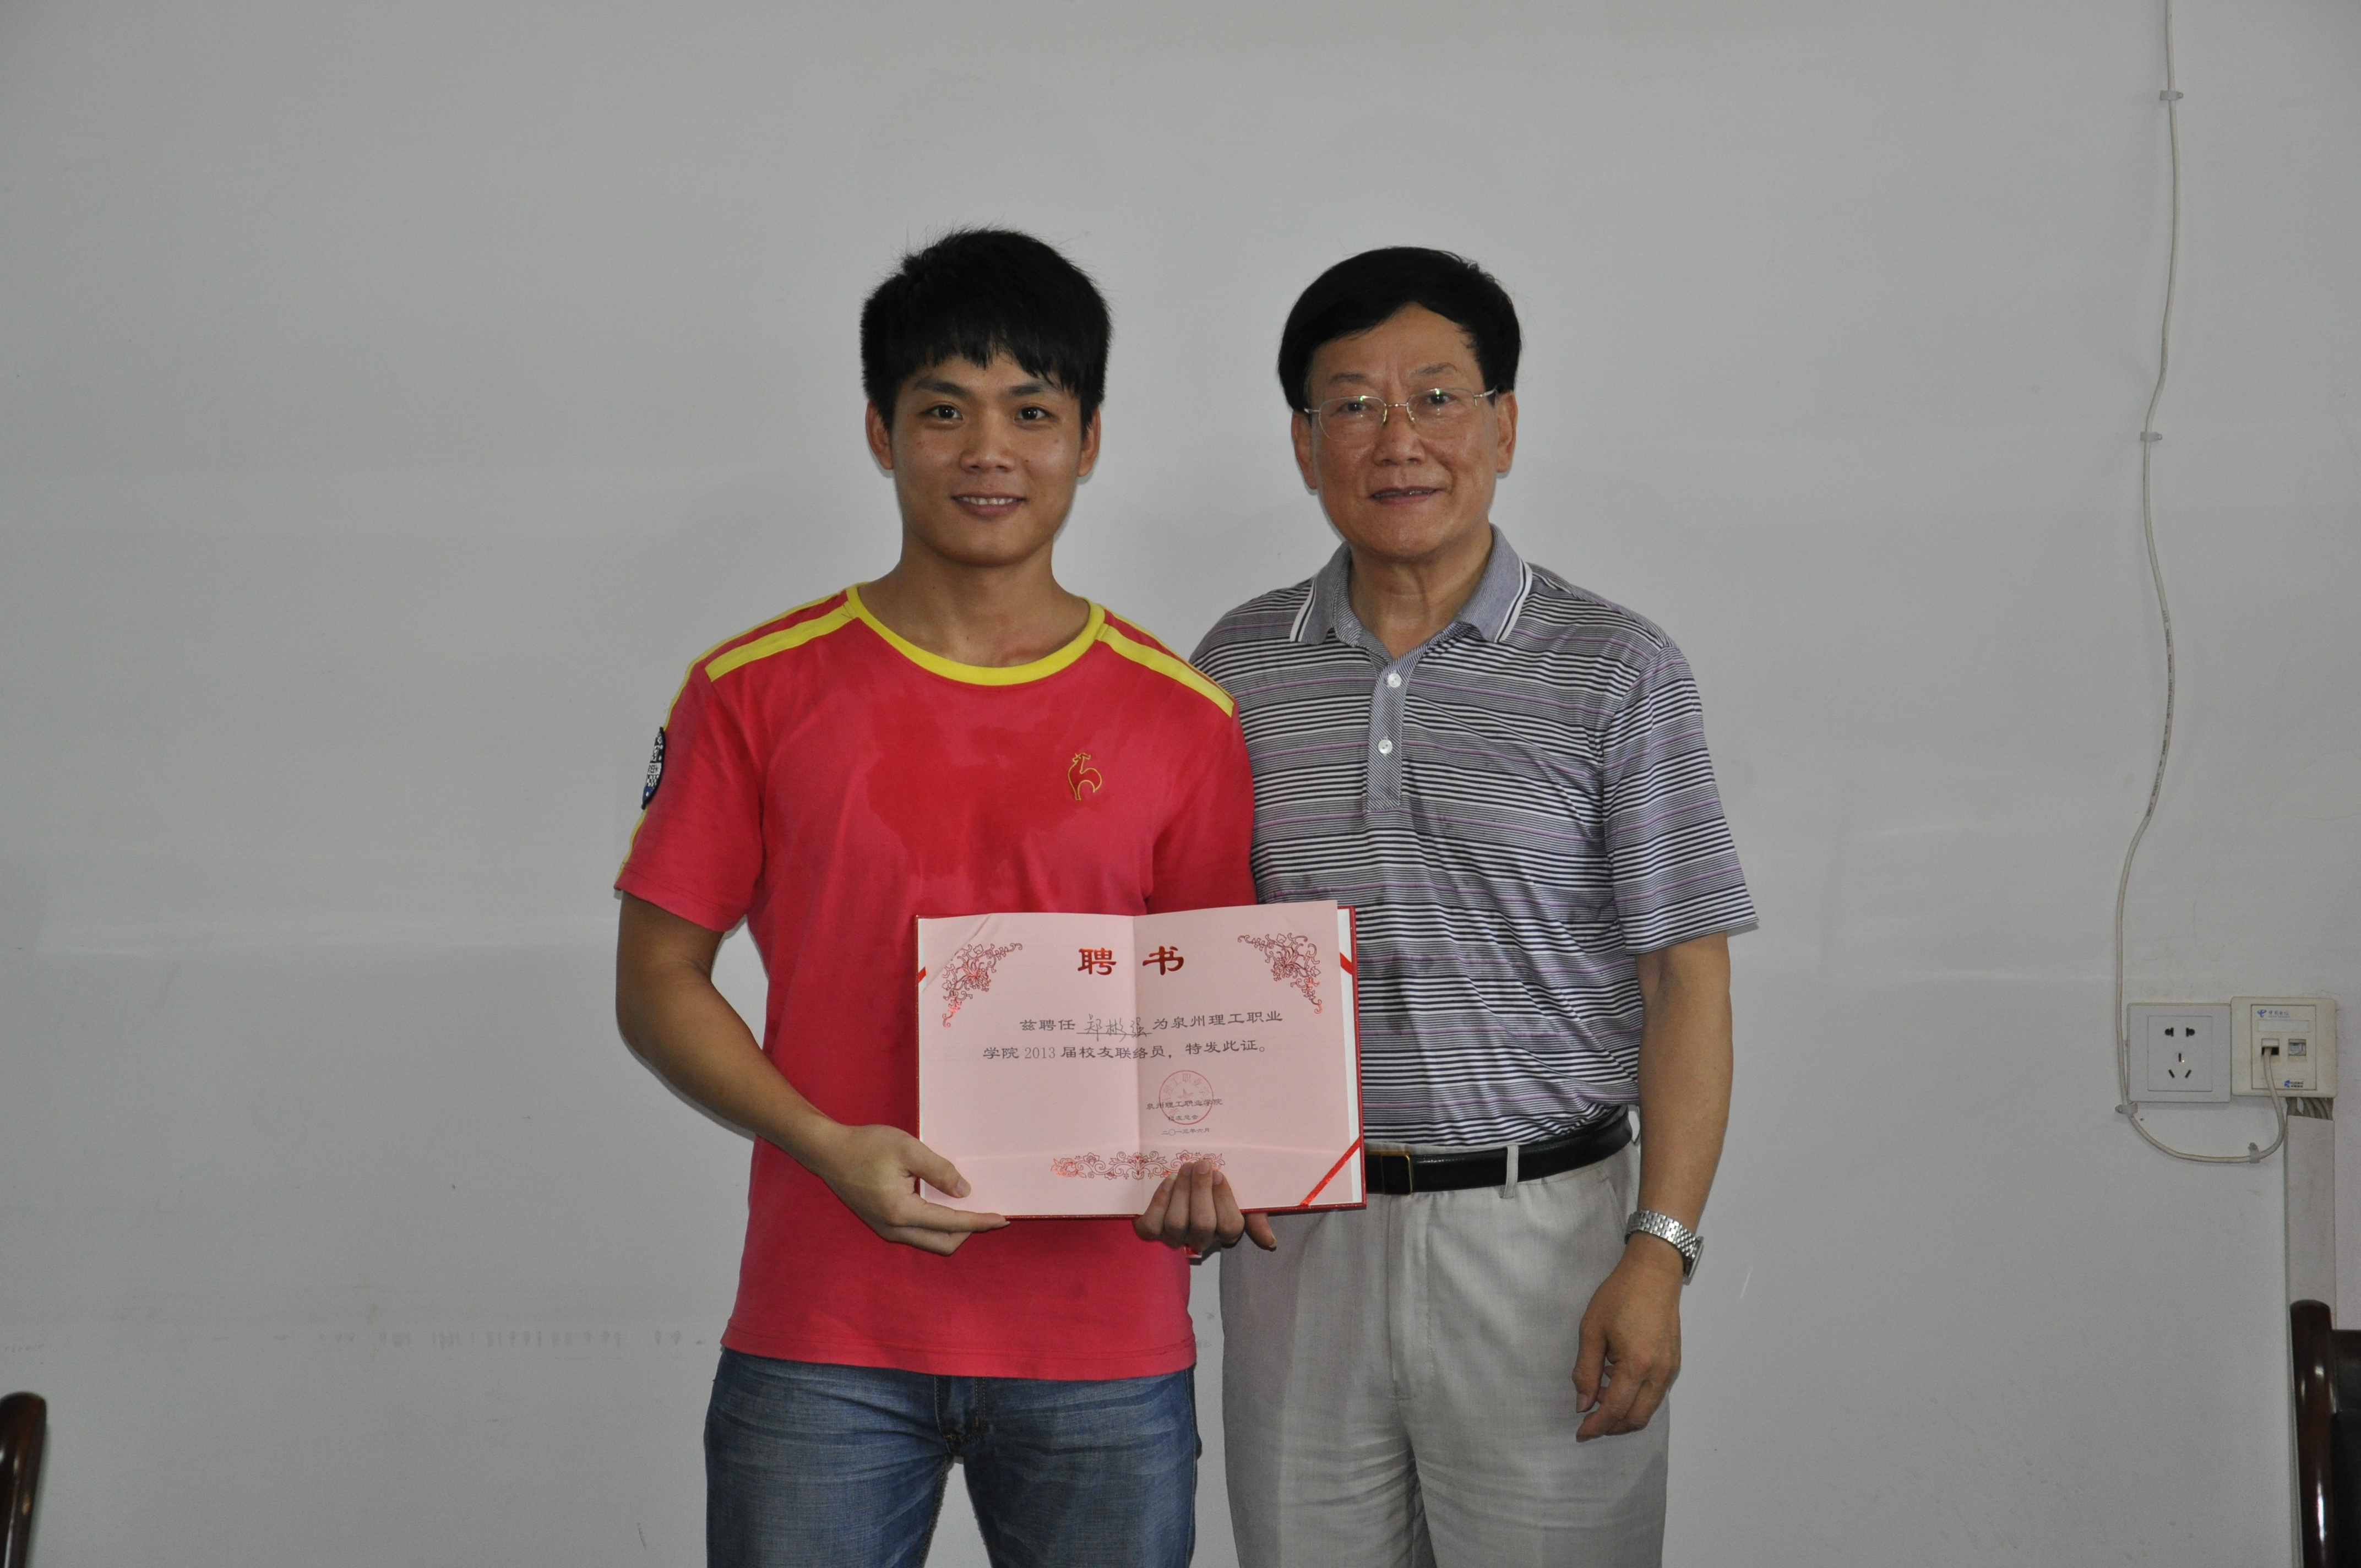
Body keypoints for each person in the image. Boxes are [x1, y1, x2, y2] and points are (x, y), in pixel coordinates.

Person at [613, 227, 1265, 1568]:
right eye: (943, 410)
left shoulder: (1182, 717)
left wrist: (1214, 1166)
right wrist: (824, 1142)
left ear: (1087, 440)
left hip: (1101, 1345)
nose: (988, 451)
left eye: (1030, 411)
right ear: (879, 431)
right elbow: (655, 978)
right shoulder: (753, 690)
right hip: (825, 1332)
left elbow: (1211, 1021)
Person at [1191, 247, 1757, 1567]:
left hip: (1543, 1238)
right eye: (1352, 404)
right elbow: (1196, 955)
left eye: (1436, 397)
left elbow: (1684, 976)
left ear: (1502, 424)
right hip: (1300, 1248)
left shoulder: (1616, 667)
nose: (1397, 439)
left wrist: (1659, 1249)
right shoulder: (1234, 668)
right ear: (1303, 443)